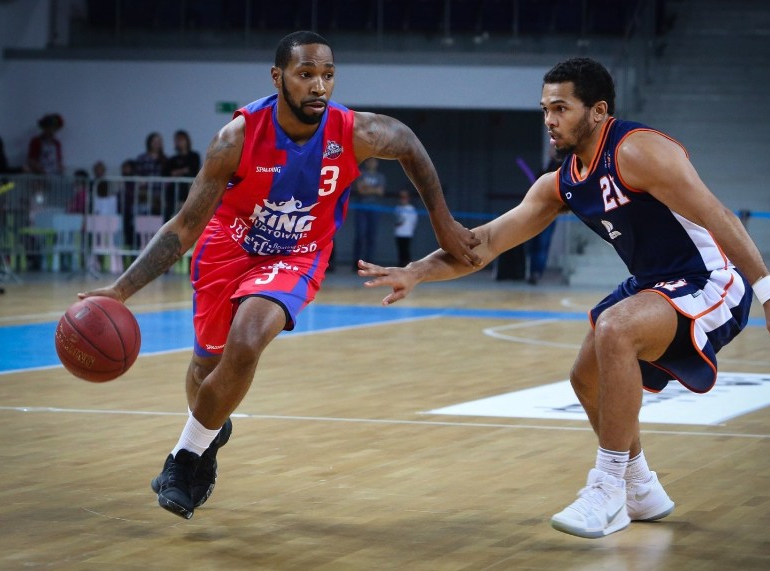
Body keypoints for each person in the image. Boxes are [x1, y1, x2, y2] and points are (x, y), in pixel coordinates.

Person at [359, 57, 770, 539]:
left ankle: (607, 489)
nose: (549, 120)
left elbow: (718, 214)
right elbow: (483, 244)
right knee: (585, 378)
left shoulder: (640, 150)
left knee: (616, 329)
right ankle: (641, 486)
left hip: (710, 278)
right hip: (654, 283)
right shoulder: (561, 183)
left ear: (598, 111)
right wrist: (416, 271)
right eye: (544, 109)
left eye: (561, 108)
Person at [79, 31, 480, 520]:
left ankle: (182, 461)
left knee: (247, 340)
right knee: (206, 371)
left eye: (327, 75)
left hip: (299, 252)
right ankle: (209, 433)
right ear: (278, 77)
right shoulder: (237, 138)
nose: (319, 86)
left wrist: (442, 221)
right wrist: (121, 290)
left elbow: (410, 146)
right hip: (227, 249)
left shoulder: (356, 131)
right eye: (306, 74)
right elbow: (185, 226)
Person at [526, 142, 564, 285]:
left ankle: (536, 272)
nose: (551, 150)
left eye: (554, 148)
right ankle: (531, 271)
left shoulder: (559, 167)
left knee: (542, 243)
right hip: (536, 211)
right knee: (534, 243)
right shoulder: (547, 165)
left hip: (549, 212)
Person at [162, 129, 201, 220]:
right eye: (177, 140)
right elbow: (167, 173)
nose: (179, 142)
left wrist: (177, 172)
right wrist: (183, 171)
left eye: (181, 139)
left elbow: (193, 170)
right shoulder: (172, 159)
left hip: (189, 190)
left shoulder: (194, 156)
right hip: (175, 192)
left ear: (187, 140)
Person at [353, 157, 385, 263]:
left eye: (374, 161)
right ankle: (356, 261)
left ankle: (369, 261)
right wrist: (374, 189)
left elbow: (380, 192)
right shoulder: (361, 173)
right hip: (361, 208)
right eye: (370, 161)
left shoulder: (380, 176)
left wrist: (367, 188)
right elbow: (361, 190)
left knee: (371, 235)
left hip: (375, 208)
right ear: (366, 162)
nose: (372, 163)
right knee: (360, 235)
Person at [394, 189, 418, 266]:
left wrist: (411, 230)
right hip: (398, 232)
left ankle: (407, 266)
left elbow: (414, 221)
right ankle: (401, 265)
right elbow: (396, 219)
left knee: (406, 250)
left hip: (407, 233)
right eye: (401, 197)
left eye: (405, 197)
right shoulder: (397, 208)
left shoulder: (411, 209)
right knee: (400, 250)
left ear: (408, 198)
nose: (403, 199)